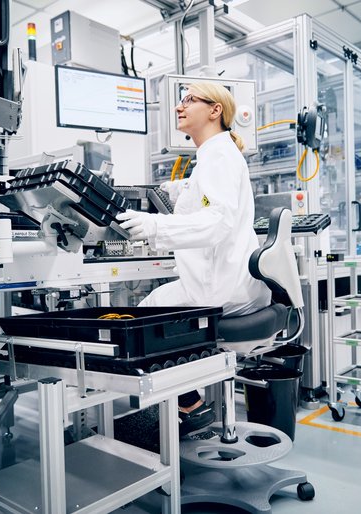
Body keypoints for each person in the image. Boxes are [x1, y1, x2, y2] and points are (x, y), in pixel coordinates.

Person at [116, 81, 271, 436]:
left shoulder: (217, 155)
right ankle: (190, 400)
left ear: (215, 110)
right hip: (234, 285)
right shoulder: (216, 155)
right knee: (156, 310)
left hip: (221, 290)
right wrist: (176, 191)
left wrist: (154, 225)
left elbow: (216, 220)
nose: (178, 107)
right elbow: (200, 199)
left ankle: (191, 405)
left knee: (142, 321)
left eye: (189, 100)